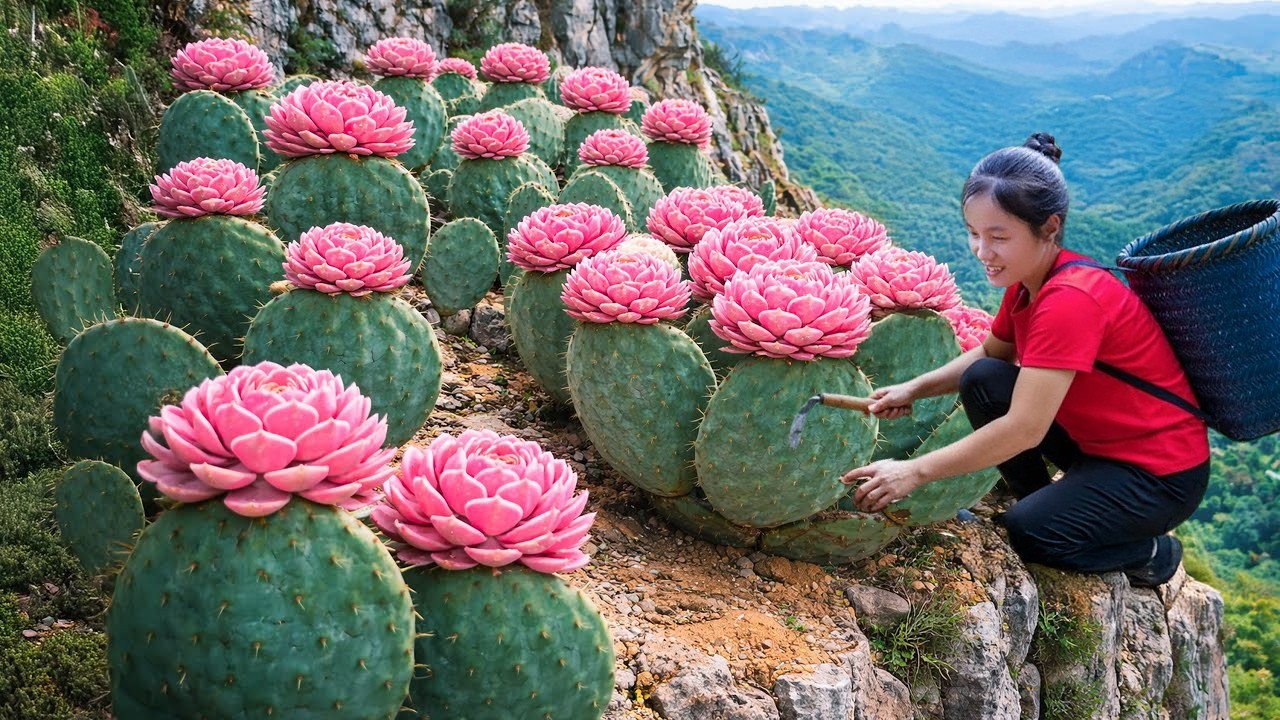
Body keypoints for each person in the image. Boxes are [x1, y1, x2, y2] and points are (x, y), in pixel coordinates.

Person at [842, 132, 1210, 588]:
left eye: (999, 237)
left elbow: (1024, 429)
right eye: (974, 233)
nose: (982, 252)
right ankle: (1041, 500)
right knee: (984, 378)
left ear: (1050, 227)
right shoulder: (1027, 282)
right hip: (1097, 448)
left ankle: (1153, 553)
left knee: (1030, 533)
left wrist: (913, 472)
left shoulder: (1070, 300)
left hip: (1158, 475)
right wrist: (912, 389)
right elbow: (989, 354)